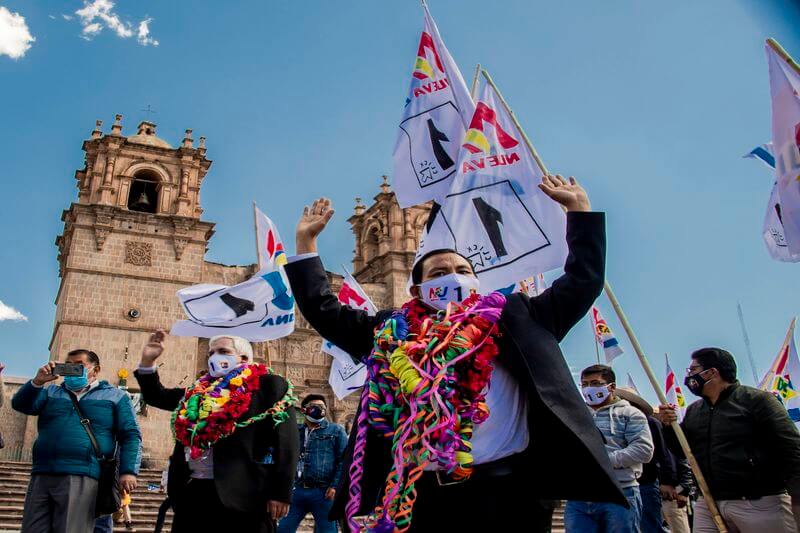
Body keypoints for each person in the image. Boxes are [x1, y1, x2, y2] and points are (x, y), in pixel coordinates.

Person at [285, 177, 626, 533]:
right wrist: (305, 243)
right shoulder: (391, 332)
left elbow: (582, 282)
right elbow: (325, 312)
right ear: (417, 289)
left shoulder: (517, 315)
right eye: (440, 272)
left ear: (477, 282)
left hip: (512, 492)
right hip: (423, 497)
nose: (454, 277)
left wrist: (579, 212)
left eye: (463, 271)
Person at [134, 330, 300, 533]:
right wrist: (147, 362)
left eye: (222, 351)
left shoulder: (269, 387)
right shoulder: (197, 393)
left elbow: (288, 442)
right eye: (211, 353)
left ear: (244, 358)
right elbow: (156, 396)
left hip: (243, 494)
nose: (214, 357)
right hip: (193, 492)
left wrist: (281, 493)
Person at [659, 347, 800, 533]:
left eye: (693, 370)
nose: (689, 376)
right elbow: (682, 450)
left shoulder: (757, 401)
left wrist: (797, 498)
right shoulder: (695, 411)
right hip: (708, 503)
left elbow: (791, 450)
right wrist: (669, 426)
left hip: (758, 502)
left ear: (712, 372)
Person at [12, 349, 141, 533]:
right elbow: (21, 405)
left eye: (78, 365)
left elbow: (130, 434)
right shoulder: (51, 392)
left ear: (95, 370)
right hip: (43, 472)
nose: (72, 369)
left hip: (82, 474)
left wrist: (128, 472)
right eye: (68, 365)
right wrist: (37, 382)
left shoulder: (115, 396)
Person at [565, 365, 653, 532]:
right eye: (584, 384)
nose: (589, 388)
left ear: (611, 387)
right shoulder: (575, 414)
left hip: (620, 492)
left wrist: (603, 461)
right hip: (580, 496)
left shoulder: (631, 414)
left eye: (595, 383)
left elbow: (643, 449)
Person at [278, 394, 348, 533]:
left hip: (323, 492)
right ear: (304, 410)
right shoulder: (294, 431)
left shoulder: (336, 430)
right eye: (315, 407)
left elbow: (343, 460)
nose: (319, 409)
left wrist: (335, 486)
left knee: (327, 530)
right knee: (283, 529)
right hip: (296, 491)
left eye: (322, 407)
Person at [617, 387, 672, 532]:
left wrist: (667, 481)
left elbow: (663, 452)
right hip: (621, 483)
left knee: (649, 525)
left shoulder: (649, 423)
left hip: (645, 482)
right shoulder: (612, 423)